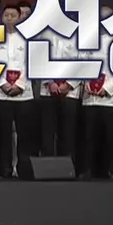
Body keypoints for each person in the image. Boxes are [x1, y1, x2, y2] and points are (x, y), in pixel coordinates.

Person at [0, 4, 37, 179]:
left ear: (19, 17)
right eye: (6, 15)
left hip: (24, 95)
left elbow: (31, 63)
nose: (9, 18)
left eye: (13, 15)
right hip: (1, 94)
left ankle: (23, 169)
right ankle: (4, 169)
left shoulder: (29, 38)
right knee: (2, 135)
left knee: (24, 135)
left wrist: (20, 85)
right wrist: (3, 84)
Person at [80, 14, 113, 179]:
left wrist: (107, 88)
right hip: (90, 97)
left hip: (111, 98)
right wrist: (87, 83)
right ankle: (88, 169)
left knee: (112, 137)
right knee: (89, 136)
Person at [35, 25, 81, 172]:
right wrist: (49, 82)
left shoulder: (80, 32)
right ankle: (47, 168)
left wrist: (69, 84)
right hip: (48, 90)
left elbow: (83, 61)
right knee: (47, 131)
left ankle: (68, 168)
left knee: (68, 132)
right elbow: (40, 59)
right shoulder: (44, 33)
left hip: (70, 92)